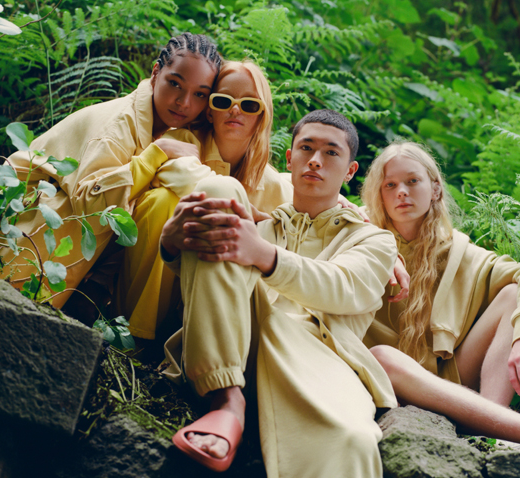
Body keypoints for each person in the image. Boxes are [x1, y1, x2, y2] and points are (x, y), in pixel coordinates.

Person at [160, 109, 399, 476]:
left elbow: (344, 286)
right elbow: (209, 283)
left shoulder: (375, 241)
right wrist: (171, 245)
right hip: (240, 350)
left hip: (318, 362)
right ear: (289, 159)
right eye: (306, 148)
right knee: (221, 192)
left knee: (355, 439)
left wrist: (265, 256)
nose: (315, 161)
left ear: (350, 171)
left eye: (331, 152)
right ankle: (224, 399)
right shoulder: (257, 228)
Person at [0, 33, 222, 309]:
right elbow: (90, 208)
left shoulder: (177, 130)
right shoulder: (116, 129)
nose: (184, 102)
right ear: (155, 73)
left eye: (199, 94)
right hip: (18, 224)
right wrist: (156, 154)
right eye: (175, 83)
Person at [361, 139, 520, 406]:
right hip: (377, 374)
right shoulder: (358, 238)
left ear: (435, 189)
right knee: (385, 357)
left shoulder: (460, 253)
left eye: (412, 181)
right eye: (390, 185)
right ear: (379, 194)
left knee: (513, 294)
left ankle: (492, 422)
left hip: (449, 381)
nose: (402, 192)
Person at [115, 59, 293, 342]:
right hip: (155, 280)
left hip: (216, 300)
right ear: (209, 111)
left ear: (262, 116)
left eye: (249, 105)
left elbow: (306, 217)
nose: (235, 110)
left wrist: (346, 207)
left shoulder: (272, 184)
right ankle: (134, 334)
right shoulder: (183, 142)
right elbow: (179, 172)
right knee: (163, 200)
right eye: (223, 101)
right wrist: (238, 204)